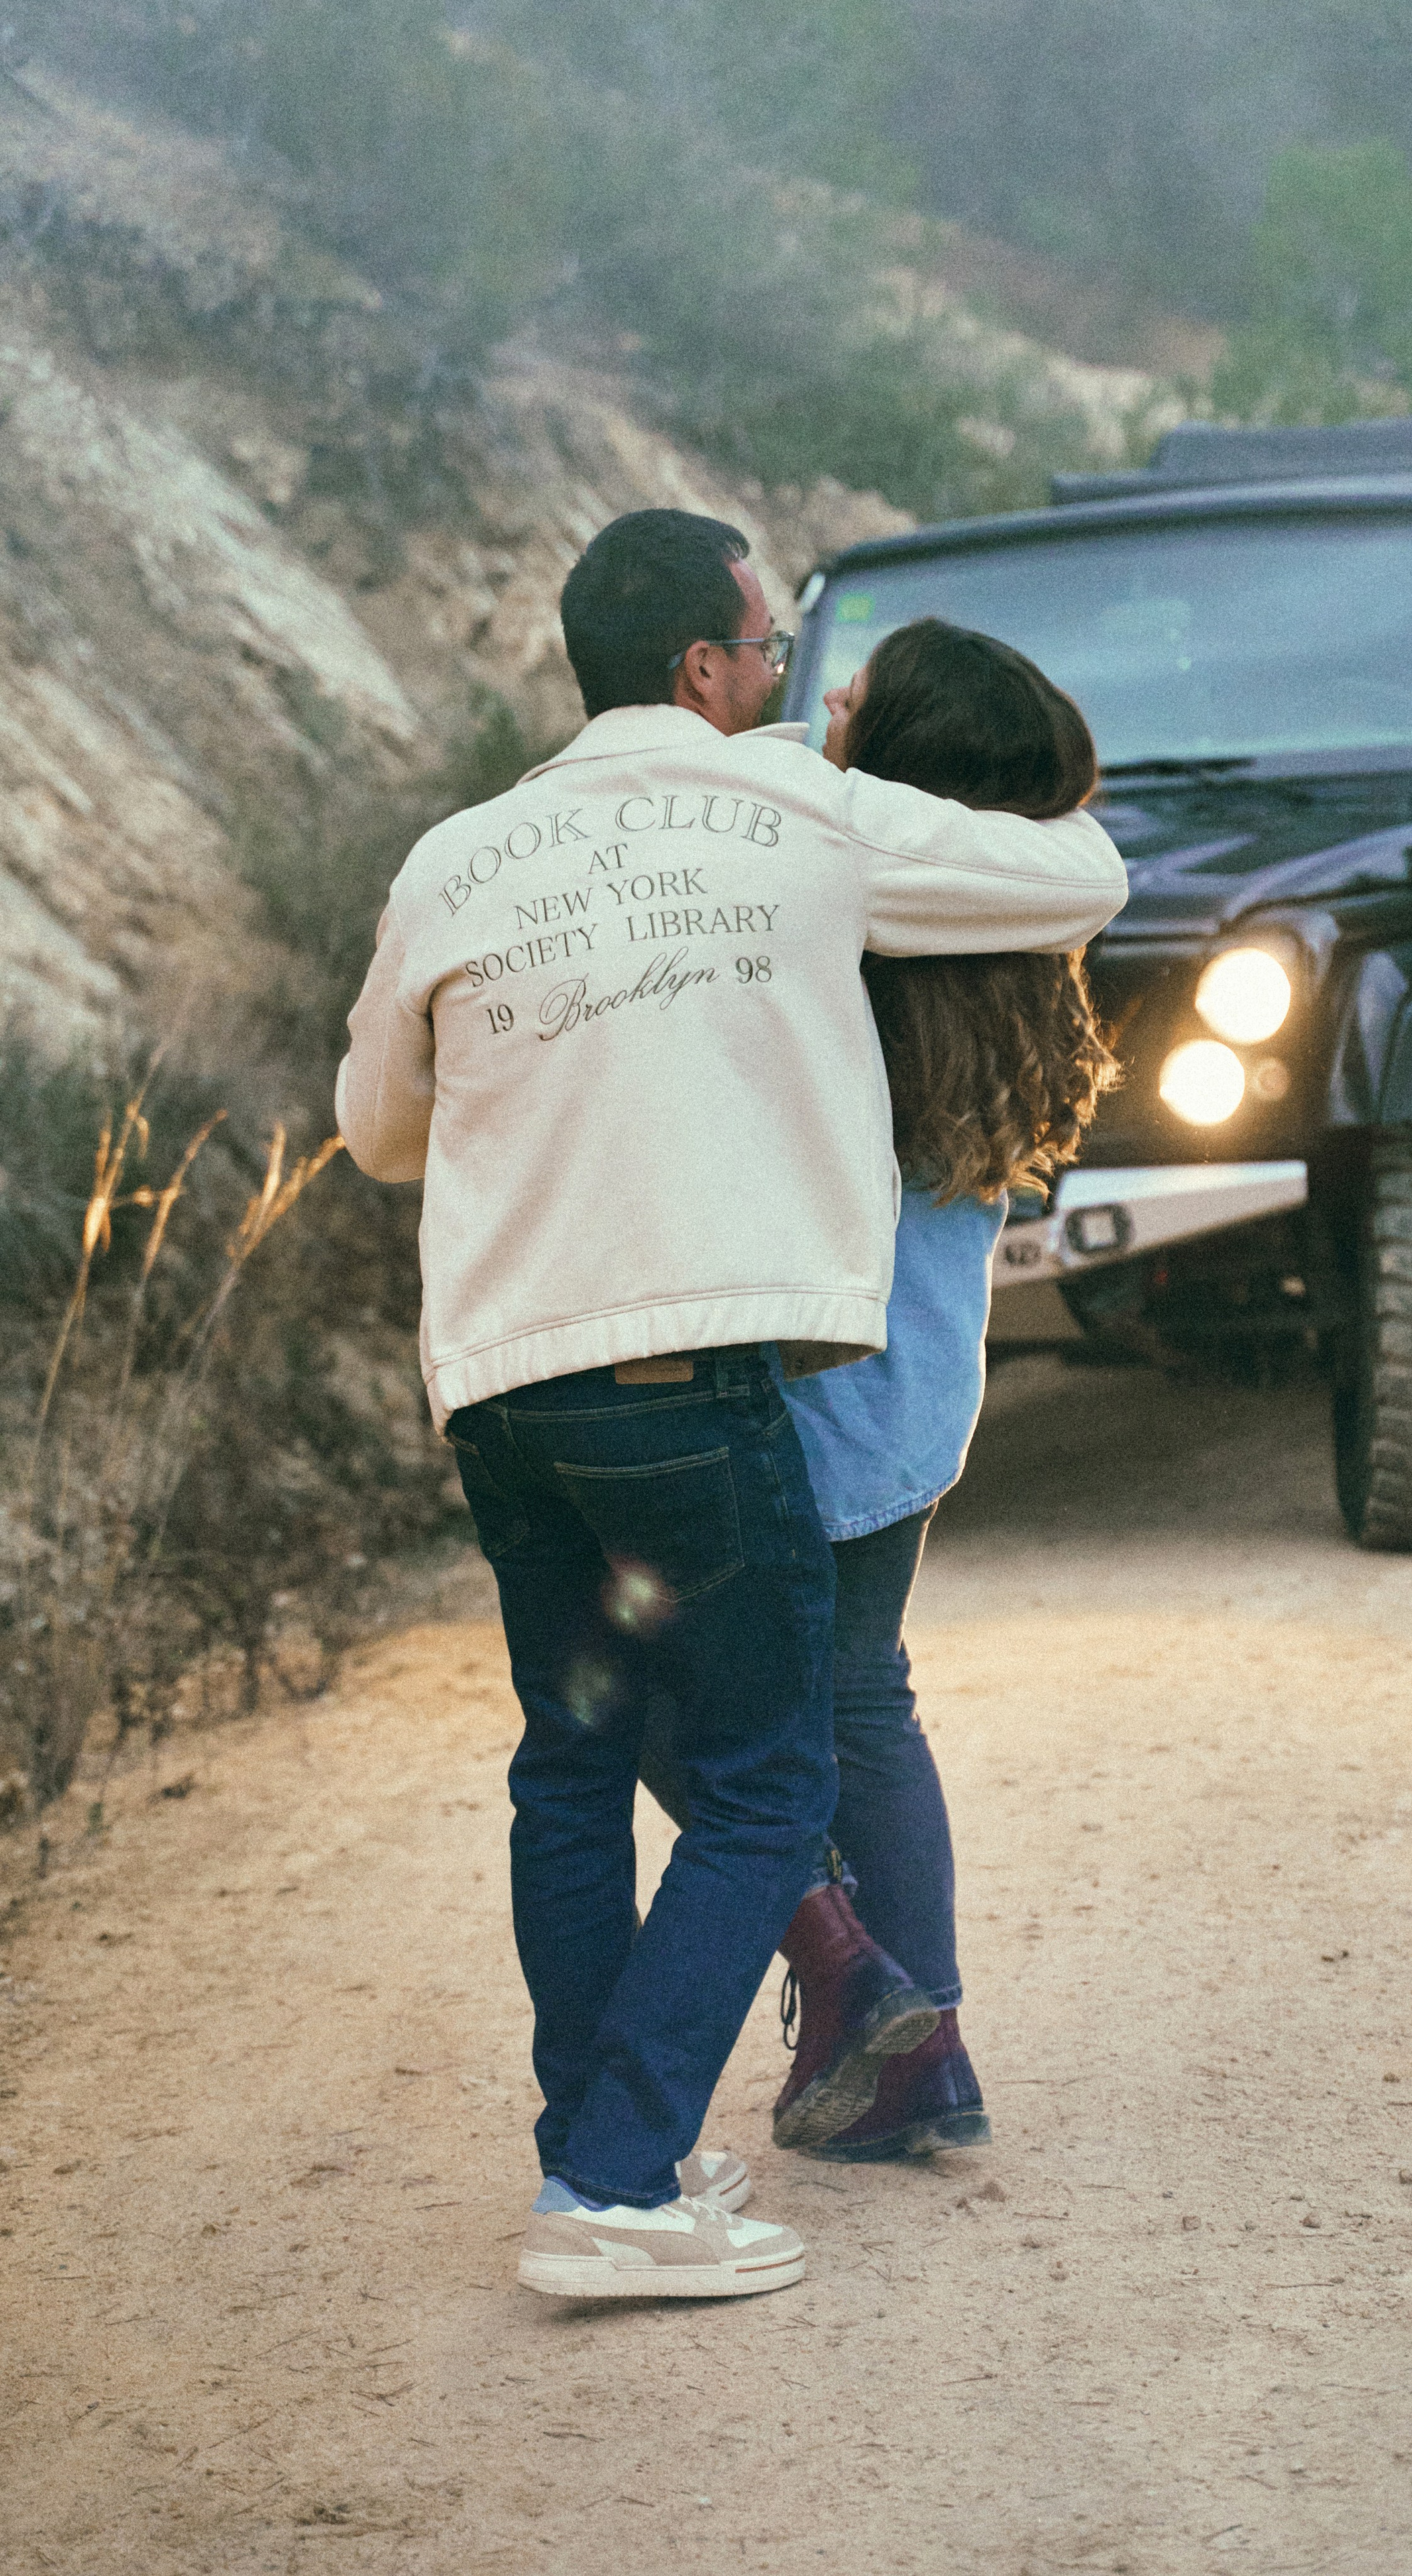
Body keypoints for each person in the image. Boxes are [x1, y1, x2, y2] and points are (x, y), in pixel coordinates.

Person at [335, 510, 1127, 2304]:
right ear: (704, 665)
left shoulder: (456, 854)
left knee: (576, 1764)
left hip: (504, 1375)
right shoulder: (796, 815)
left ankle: (602, 2143)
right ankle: (637, 2168)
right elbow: (1081, 876)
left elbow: (377, 1130)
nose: (791, 683)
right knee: (777, 1770)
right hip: (696, 1373)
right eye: (774, 652)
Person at [639, 618, 1116, 2162]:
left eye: (859, 690)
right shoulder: (993, 943)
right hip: (914, 1395)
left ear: (906, 755)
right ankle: (923, 2037)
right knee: (862, 1693)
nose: (826, 691)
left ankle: (859, 1980)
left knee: (656, 1681)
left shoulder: (840, 927)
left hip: (821, 1390)